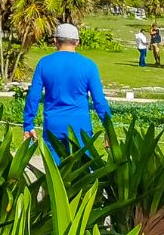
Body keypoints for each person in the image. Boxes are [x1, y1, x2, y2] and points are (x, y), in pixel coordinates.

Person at [24, 23, 111, 158]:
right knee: (83, 173)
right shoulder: (89, 65)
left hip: (53, 126)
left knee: (55, 174)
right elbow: (99, 100)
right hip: (80, 127)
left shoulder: (44, 63)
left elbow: (33, 96)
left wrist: (28, 124)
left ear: (55, 41)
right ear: (77, 42)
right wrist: (108, 127)